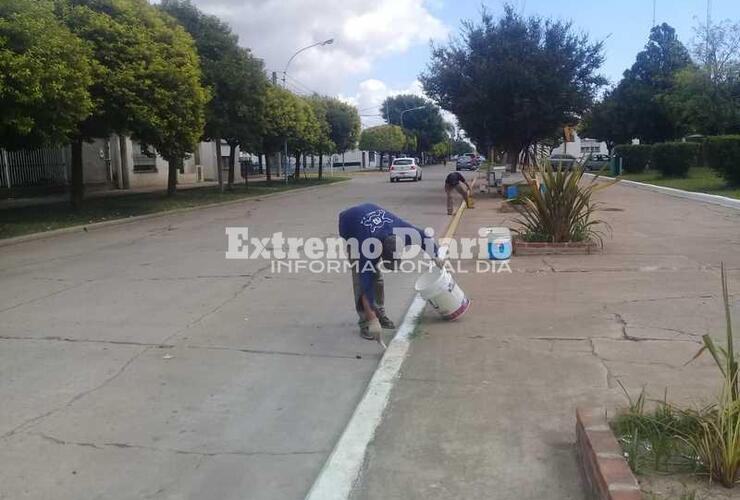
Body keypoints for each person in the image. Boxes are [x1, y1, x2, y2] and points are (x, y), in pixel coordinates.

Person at [338, 203, 438, 341]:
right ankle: (366, 323)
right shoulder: (365, 245)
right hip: (351, 225)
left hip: (371, 222)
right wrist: (372, 320)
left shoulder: (401, 231)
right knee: (365, 280)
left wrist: (437, 256)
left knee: (378, 280)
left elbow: (423, 237)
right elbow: (364, 284)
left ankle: (380, 313)